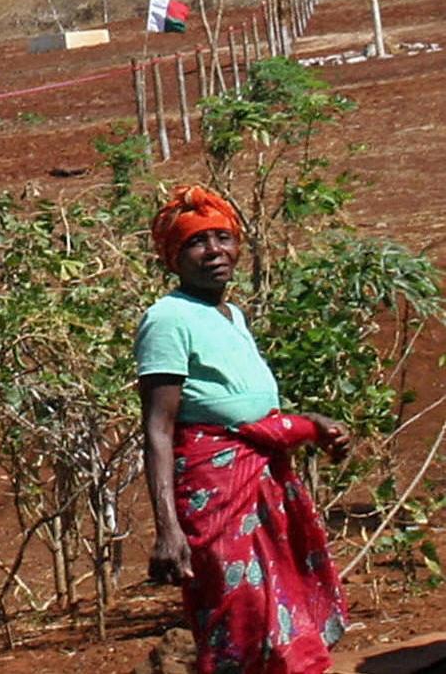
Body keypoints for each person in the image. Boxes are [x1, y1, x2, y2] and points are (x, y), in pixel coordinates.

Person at [136, 185, 350, 674]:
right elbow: (159, 429)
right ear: (173, 256)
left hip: (261, 482)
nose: (214, 252)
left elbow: (245, 404)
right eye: (197, 242)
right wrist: (168, 530)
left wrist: (308, 424)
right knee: (242, 615)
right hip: (215, 493)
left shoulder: (232, 315)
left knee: (279, 613)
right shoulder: (167, 319)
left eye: (223, 238)